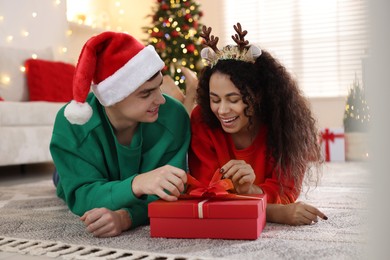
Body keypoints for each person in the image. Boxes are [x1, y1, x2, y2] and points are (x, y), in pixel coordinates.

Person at [50, 31, 191, 238]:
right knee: (61, 179)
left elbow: (171, 192)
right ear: (113, 97)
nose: (161, 100)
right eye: (146, 93)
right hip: (87, 171)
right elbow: (82, 197)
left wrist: (126, 217)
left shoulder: (174, 116)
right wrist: (137, 183)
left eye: (158, 87)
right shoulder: (72, 123)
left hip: (124, 180)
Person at [188, 23, 328, 226]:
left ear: (258, 96)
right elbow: (207, 196)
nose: (222, 110)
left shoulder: (284, 125)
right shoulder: (202, 118)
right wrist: (276, 213)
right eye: (215, 99)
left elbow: (286, 191)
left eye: (233, 99)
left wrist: (250, 190)